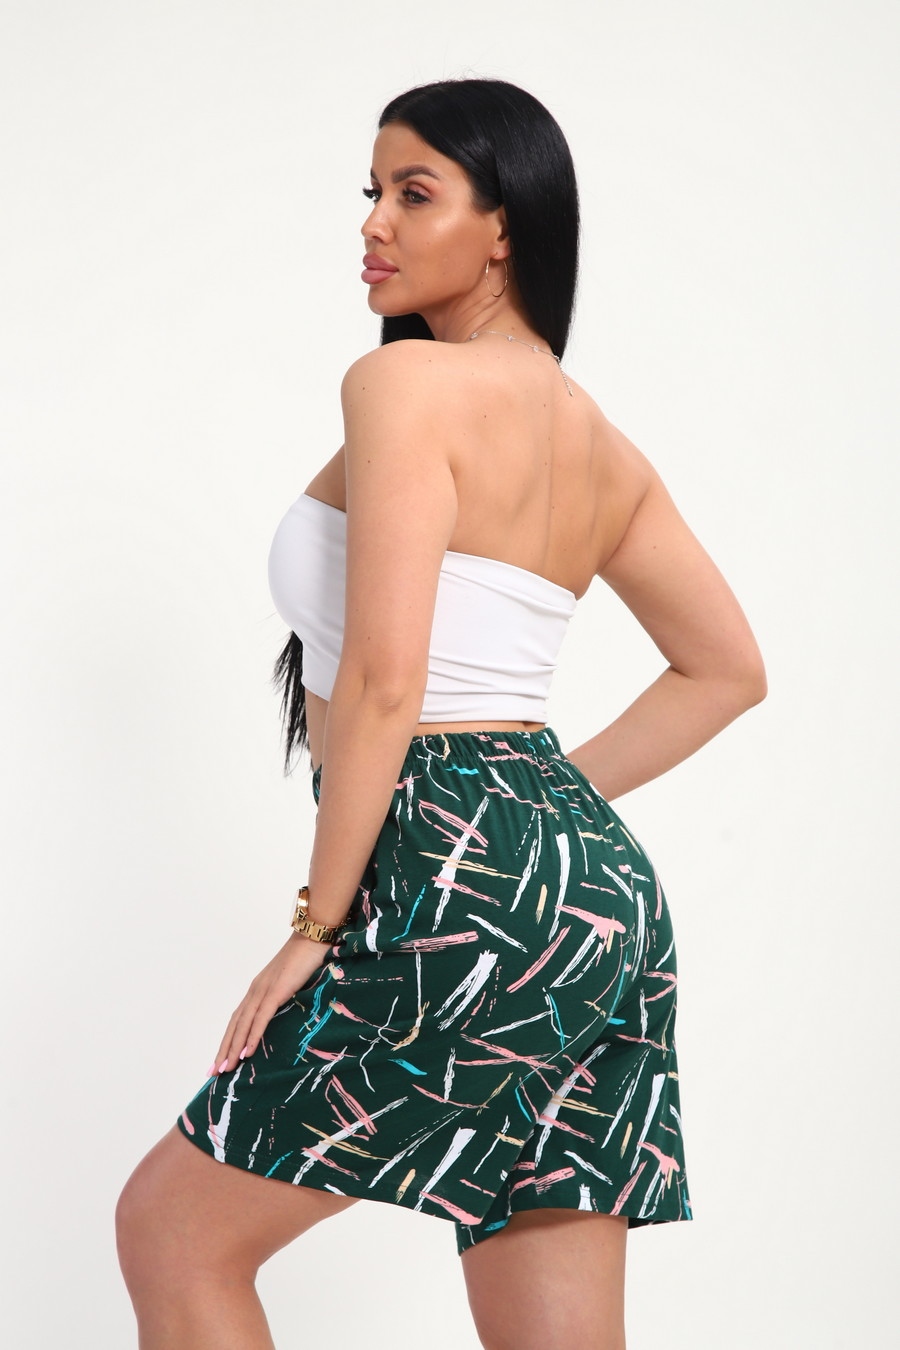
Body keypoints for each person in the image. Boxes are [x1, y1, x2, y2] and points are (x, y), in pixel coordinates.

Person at [116, 77, 766, 1350]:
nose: (376, 222)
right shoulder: (600, 443)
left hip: (447, 871)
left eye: (416, 194)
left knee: (173, 1235)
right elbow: (728, 670)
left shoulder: (403, 388)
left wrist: (317, 923)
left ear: (505, 224)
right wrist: (541, 815)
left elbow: (384, 681)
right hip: (597, 904)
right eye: (372, 192)